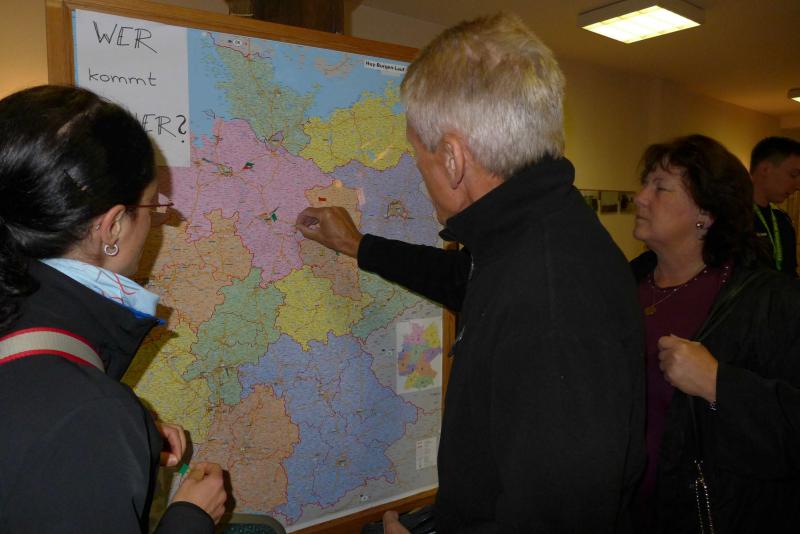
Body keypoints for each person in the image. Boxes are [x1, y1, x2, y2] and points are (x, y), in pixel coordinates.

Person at [296, 13, 645, 532]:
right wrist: (358, 246)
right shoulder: (532, 233)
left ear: (453, 159)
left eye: (419, 158)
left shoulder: (552, 303)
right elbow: (469, 282)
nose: (421, 174)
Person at [0, 85, 227, 532]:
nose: (154, 222)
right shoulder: (88, 415)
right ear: (113, 227)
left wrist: (128, 436)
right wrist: (191, 517)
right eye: (152, 207)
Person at [630, 134, 800, 532]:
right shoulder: (625, 283)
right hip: (625, 512)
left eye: (660, 188)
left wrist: (718, 383)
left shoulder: (769, 301)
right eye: (645, 184)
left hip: (710, 516)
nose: (640, 198)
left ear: (705, 214)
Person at [749, 136, 800, 277]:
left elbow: (790, 273)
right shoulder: (732, 218)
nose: (798, 186)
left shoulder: (783, 220)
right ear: (765, 169)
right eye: (793, 175)